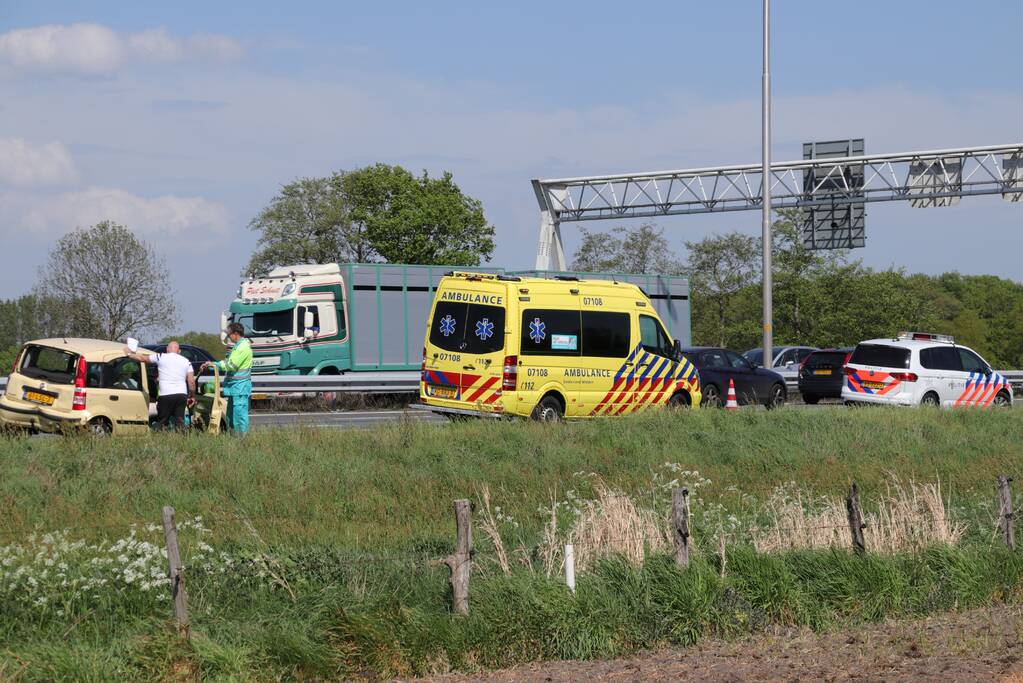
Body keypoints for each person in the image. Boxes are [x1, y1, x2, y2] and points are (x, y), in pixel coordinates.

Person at [125, 341, 195, 430]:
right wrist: (191, 395)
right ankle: (181, 438)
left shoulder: (161, 356)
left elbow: (143, 358)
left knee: (162, 421)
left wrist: (129, 353)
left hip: (165, 395)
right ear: (179, 351)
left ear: (167, 349)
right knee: (180, 421)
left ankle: (161, 437)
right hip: (181, 395)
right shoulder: (187, 362)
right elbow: (191, 382)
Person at [201, 322, 252, 434]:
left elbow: (231, 365)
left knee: (239, 415)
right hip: (235, 387)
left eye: (229, 334)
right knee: (231, 414)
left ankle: (242, 438)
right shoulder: (237, 347)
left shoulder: (242, 348)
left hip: (240, 387)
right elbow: (227, 362)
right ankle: (234, 436)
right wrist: (212, 364)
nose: (229, 337)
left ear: (235, 333)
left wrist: (215, 365)